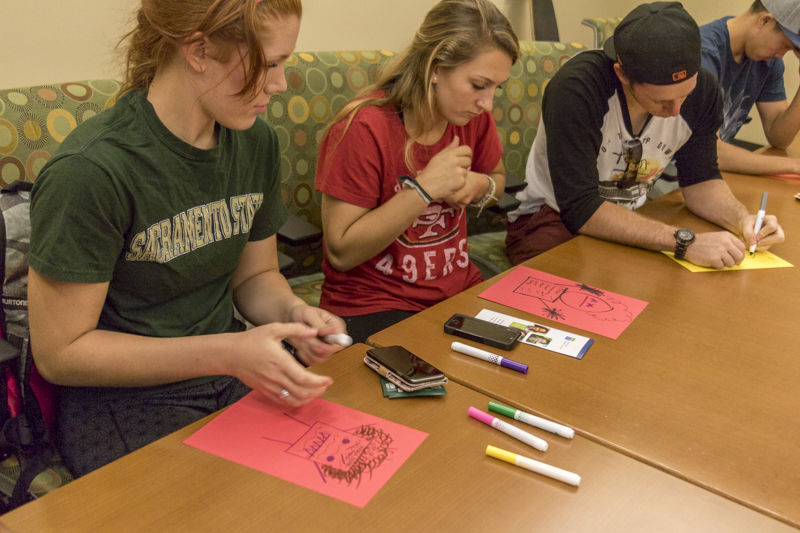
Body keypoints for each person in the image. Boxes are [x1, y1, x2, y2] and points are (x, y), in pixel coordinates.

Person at [27, 0, 348, 478]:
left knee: (332, 471)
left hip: (224, 369)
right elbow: (62, 354)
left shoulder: (254, 141)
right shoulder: (91, 172)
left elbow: (257, 276)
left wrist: (292, 315)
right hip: (125, 399)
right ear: (198, 51)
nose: (280, 85)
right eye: (270, 64)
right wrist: (227, 352)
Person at [505, 1, 785, 268]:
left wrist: (743, 220)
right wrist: (684, 243)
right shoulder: (578, 89)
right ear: (623, 74)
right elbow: (582, 209)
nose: (675, 112)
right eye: (661, 101)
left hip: (632, 218)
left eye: (684, 96)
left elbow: (702, 181)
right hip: (552, 221)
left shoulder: (703, 91)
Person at [314, 0, 520, 342]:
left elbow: (496, 181)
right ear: (435, 68)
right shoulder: (364, 128)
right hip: (374, 302)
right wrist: (424, 190)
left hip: (456, 290)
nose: (488, 103)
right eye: (479, 84)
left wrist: (477, 186)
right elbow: (341, 252)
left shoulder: (472, 117)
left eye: (497, 87)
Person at [700, 0, 800, 176]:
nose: (780, 55)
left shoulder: (768, 63)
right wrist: (794, 165)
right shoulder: (703, 54)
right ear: (764, 21)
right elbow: (710, 151)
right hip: (667, 177)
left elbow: (779, 138)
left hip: (713, 174)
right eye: (784, 46)